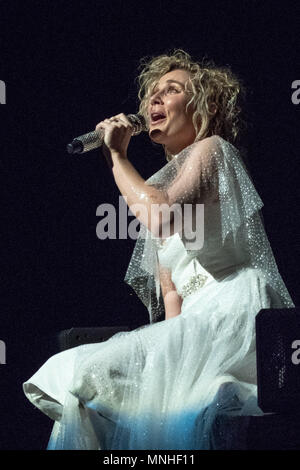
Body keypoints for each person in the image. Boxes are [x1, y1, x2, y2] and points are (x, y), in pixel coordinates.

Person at [23, 49, 295, 450]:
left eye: (171, 90)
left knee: (79, 370)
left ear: (206, 106)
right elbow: (174, 302)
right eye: (152, 92)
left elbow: (160, 216)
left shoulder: (214, 150)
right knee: (88, 384)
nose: (155, 99)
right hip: (195, 323)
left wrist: (117, 156)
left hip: (232, 308)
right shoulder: (156, 185)